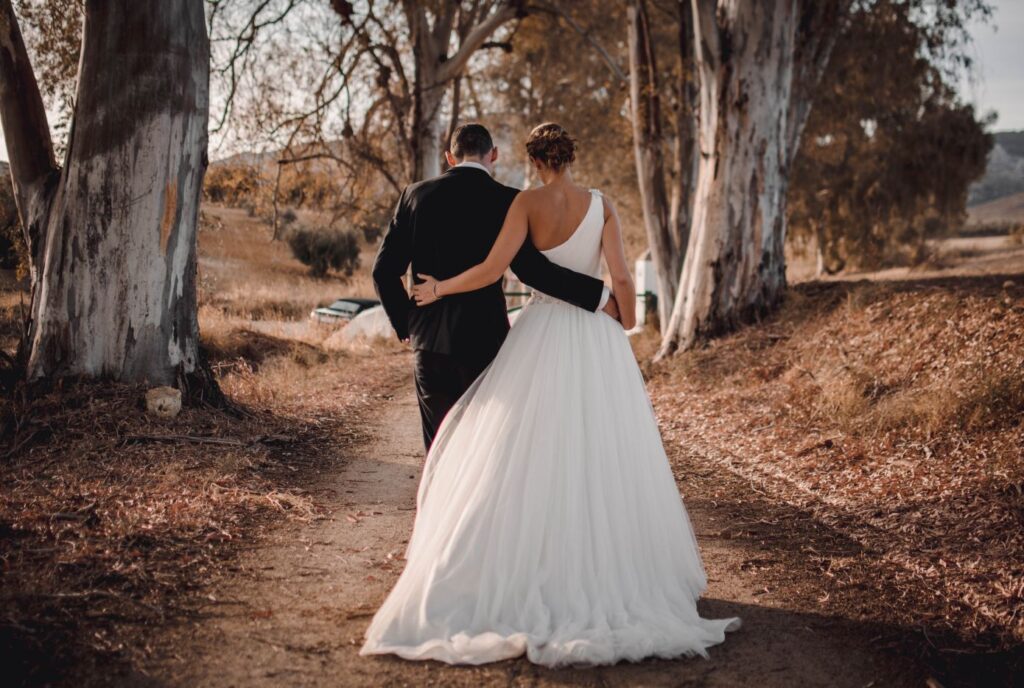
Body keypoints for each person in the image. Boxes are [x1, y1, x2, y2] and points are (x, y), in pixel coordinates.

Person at [360, 123, 739, 667]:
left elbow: (456, 268)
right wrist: (615, 311)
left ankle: (467, 553)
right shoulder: (568, 202)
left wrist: (425, 303)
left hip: (487, 339)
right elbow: (583, 274)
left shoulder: (482, 200)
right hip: (549, 339)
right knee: (576, 449)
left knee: (485, 449)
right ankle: (593, 565)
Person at [372, 123, 618, 450]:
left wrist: (407, 324)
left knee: (439, 446)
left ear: (450, 157)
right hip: (485, 340)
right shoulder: (508, 200)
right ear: (494, 155)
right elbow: (535, 272)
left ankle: (438, 501)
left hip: (430, 342)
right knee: (485, 447)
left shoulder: (415, 196)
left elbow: (383, 271)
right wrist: (598, 296)